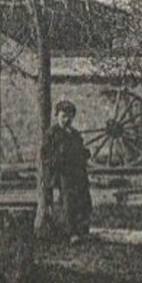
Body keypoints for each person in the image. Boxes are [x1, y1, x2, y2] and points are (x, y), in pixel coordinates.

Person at [43, 99, 92, 243]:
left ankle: (82, 229)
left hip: (78, 173)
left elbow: (80, 150)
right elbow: (45, 155)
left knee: (83, 201)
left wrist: (84, 154)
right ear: (57, 116)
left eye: (69, 116)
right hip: (63, 173)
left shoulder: (75, 134)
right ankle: (71, 232)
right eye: (63, 116)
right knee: (68, 202)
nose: (66, 119)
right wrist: (56, 163)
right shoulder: (52, 134)